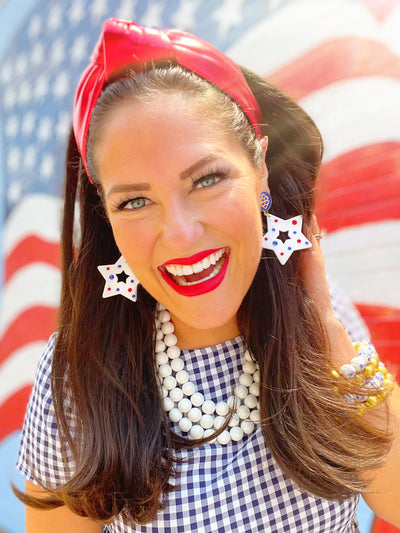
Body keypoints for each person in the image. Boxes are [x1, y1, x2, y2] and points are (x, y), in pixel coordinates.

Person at [15, 18, 400, 532]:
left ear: (259, 167)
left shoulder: (322, 321)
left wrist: (326, 332)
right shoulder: (74, 378)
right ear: (106, 217)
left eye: (207, 179)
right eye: (134, 201)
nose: (179, 233)